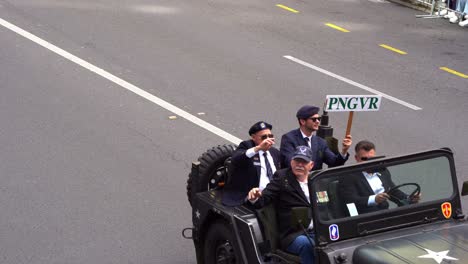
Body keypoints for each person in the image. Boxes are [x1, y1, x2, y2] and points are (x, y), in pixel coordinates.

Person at [248, 146, 316, 264]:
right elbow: (264, 199)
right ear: (291, 161)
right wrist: (255, 197)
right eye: (297, 161)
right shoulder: (282, 177)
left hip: (318, 230)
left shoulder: (316, 179)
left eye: (304, 162)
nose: (299, 165)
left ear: (311, 165)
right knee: (308, 245)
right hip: (294, 234)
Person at [340, 140, 420, 214]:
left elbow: (392, 191)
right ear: (356, 158)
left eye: (371, 159)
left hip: (385, 213)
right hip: (365, 217)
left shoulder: (383, 171)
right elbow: (350, 201)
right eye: (364, 159)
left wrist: (409, 198)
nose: (368, 162)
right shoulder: (348, 176)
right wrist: (374, 199)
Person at [222, 121, 281, 206]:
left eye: (270, 136)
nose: (268, 139)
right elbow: (236, 159)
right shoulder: (246, 147)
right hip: (253, 196)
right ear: (254, 137)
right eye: (264, 137)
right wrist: (258, 148)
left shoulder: (275, 153)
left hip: (273, 195)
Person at [280, 105, 352, 170]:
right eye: (314, 119)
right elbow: (290, 163)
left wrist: (344, 151)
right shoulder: (289, 139)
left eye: (319, 119)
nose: (317, 122)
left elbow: (334, 163)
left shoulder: (320, 142)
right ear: (302, 121)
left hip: (314, 182)